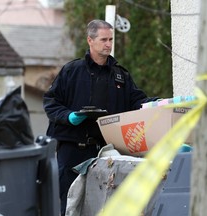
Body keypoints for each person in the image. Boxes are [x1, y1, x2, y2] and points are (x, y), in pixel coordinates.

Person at [43, 19, 159, 216]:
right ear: (90, 40)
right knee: (70, 206)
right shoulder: (71, 71)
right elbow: (51, 102)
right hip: (73, 152)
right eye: (104, 39)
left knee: (104, 204)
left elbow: (138, 102)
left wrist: (162, 104)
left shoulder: (120, 76)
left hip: (106, 153)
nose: (108, 44)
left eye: (111, 39)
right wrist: (68, 116)